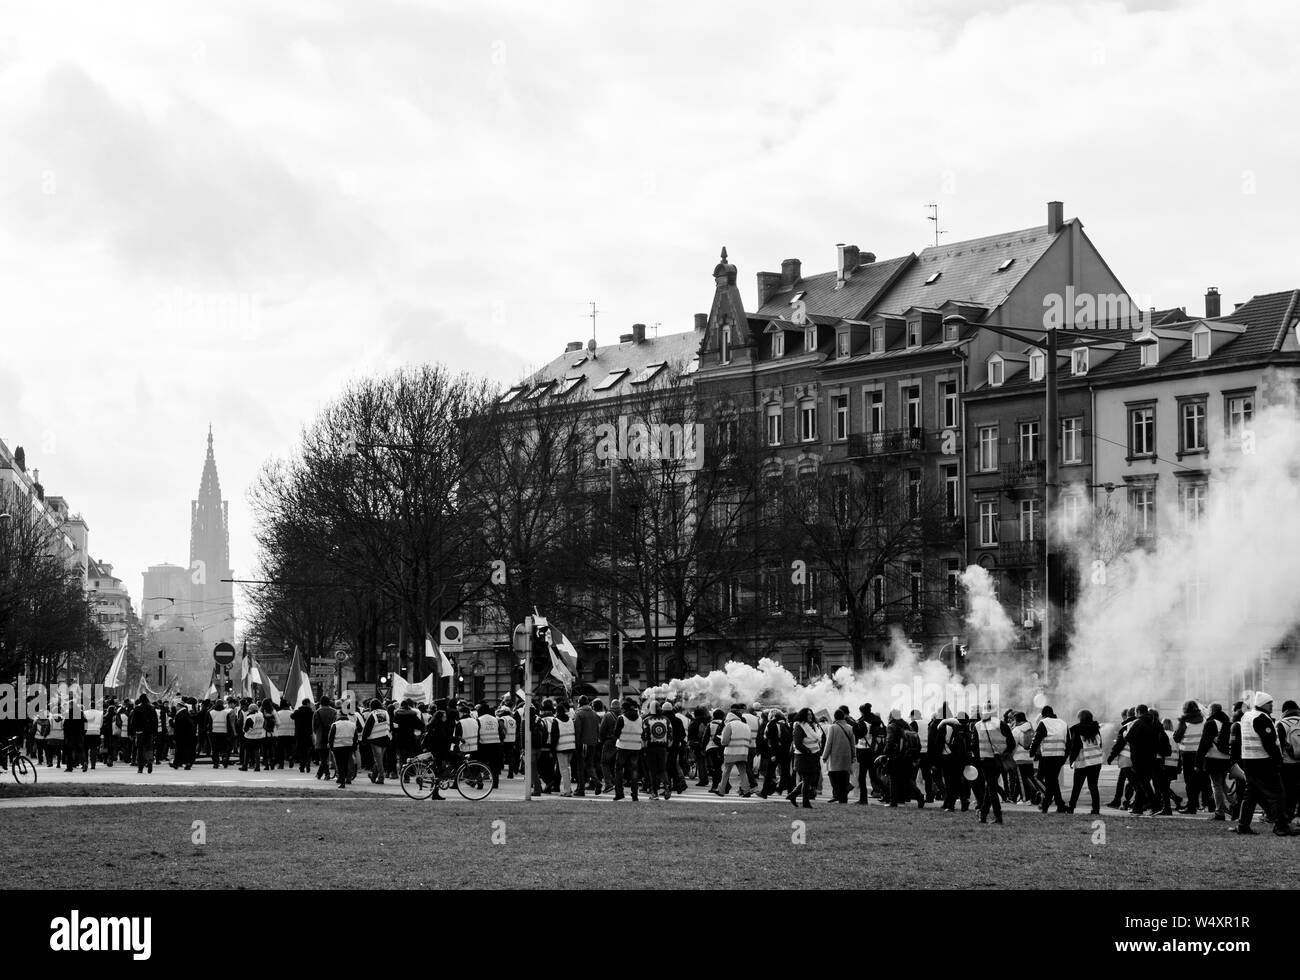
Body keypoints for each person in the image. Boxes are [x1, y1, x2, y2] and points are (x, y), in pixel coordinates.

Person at [1232, 692, 1293, 836]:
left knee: (1250, 795)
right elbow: (1269, 743)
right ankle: (1281, 826)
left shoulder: (1247, 716)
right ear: (1264, 704)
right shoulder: (1262, 718)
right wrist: (1278, 760)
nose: (1272, 706)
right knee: (1278, 794)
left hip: (1249, 760)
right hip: (1263, 761)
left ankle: (1243, 825)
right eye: (1270, 703)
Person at [972, 708, 1013, 824]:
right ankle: (983, 814)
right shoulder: (1001, 724)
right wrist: (1005, 754)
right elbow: (1011, 743)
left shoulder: (977, 726)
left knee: (991, 787)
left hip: (985, 760)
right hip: (999, 760)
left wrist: (978, 760)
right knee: (991, 786)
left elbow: (974, 746)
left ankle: (997, 815)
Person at [1030, 706, 1068, 813]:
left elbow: (1036, 739)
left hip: (1047, 756)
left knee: (1042, 778)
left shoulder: (1044, 723)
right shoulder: (1063, 723)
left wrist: (1032, 752)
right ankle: (1059, 805)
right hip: (1060, 756)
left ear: (1043, 714)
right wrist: (1065, 757)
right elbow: (1069, 742)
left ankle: (1047, 803)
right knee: (1053, 781)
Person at [1066, 709, 1104, 815]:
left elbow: (1075, 747)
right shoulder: (1096, 729)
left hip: (1082, 762)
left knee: (1076, 787)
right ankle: (1096, 809)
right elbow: (1100, 744)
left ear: (1080, 718)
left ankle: (1071, 808)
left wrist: (1071, 760)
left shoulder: (1076, 729)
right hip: (1096, 762)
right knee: (1093, 786)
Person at [1173, 700, 1206, 816]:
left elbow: (1176, 738)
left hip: (1187, 755)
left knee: (1189, 782)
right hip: (1200, 755)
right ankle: (1195, 803)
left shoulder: (1184, 722)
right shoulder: (1203, 721)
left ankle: (1191, 806)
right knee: (1197, 781)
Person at [787, 708, 823, 808]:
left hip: (814, 756)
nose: (810, 716)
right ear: (803, 716)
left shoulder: (814, 726)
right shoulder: (800, 727)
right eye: (808, 715)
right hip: (804, 757)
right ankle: (805, 802)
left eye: (811, 714)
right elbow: (797, 743)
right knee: (807, 780)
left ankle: (793, 795)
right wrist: (807, 751)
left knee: (811, 779)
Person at [716, 704, 754, 797]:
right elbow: (749, 740)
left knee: (726, 772)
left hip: (731, 752)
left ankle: (721, 790)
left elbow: (724, 741)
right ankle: (746, 790)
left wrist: (721, 739)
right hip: (743, 752)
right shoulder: (745, 725)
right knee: (743, 772)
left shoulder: (729, 725)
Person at [820, 707, 856, 804]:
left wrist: (825, 756)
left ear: (835, 717)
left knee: (833, 776)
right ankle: (843, 798)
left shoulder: (832, 727)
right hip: (847, 756)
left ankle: (838, 795)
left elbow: (829, 743)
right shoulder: (849, 727)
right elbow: (853, 744)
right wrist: (854, 756)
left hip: (835, 756)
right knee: (844, 777)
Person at [937, 712, 971, 812]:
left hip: (947, 757)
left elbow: (938, 744)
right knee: (958, 781)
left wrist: (937, 761)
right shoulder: (964, 729)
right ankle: (964, 800)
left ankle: (950, 805)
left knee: (949, 782)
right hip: (960, 758)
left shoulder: (945, 727)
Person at [612, 698, 642, 802]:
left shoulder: (621, 718)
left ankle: (619, 793)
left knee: (619, 770)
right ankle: (635, 795)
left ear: (623, 709)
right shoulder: (640, 718)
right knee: (634, 771)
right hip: (636, 748)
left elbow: (616, 733)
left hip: (623, 746)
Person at [642, 701, 673, 799]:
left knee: (652, 771)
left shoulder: (646, 720)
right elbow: (670, 734)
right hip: (663, 748)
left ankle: (654, 792)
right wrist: (668, 745)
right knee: (662, 769)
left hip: (650, 749)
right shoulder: (666, 720)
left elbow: (644, 736)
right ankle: (667, 786)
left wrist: (644, 747)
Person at [1010, 710, 1041, 806]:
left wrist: (1009, 756)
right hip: (1029, 758)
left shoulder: (1016, 730)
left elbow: (1012, 745)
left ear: (1016, 720)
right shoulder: (1031, 728)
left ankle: (1025, 799)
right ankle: (1036, 794)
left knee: (1021, 780)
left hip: (1019, 758)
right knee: (1030, 778)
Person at [572, 695, 600, 796]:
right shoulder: (594, 713)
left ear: (579, 703)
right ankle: (596, 782)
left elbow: (577, 730)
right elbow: (598, 728)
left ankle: (581, 788)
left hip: (583, 743)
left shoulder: (579, 714)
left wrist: (576, 743)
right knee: (590, 764)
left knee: (581, 766)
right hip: (593, 742)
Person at [1278, 700, 1300, 823]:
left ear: (1284, 711)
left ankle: (1289, 815)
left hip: (1287, 764)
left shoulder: (1281, 724)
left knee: (1289, 791)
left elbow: (1278, 745)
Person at [760, 709, 791, 798]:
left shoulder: (772, 723)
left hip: (776, 751)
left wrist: (773, 753)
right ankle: (791, 792)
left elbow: (772, 739)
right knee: (786, 773)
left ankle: (764, 792)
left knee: (769, 772)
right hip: (785, 751)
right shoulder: (785, 724)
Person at [362, 698, 391, 784]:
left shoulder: (372, 714)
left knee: (379, 760)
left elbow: (367, 728)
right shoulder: (386, 713)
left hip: (375, 740)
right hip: (385, 738)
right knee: (379, 759)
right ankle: (373, 776)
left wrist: (364, 739)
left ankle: (381, 778)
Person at [328, 706, 359, 788]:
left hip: (337, 747)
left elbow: (330, 738)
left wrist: (331, 748)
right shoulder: (352, 725)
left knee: (339, 765)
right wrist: (354, 748)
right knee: (345, 764)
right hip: (348, 747)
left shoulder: (335, 725)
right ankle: (345, 778)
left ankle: (342, 782)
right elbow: (355, 738)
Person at [551, 702, 576, 797]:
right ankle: (568, 788)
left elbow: (554, 737)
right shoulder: (570, 720)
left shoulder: (556, 721)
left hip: (561, 748)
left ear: (557, 711)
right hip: (571, 747)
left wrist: (552, 750)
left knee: (564, 770)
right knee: (567, 769)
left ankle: (567, 791)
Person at [129, 695, 157, 774]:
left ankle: (140, 767)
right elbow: (155, 721)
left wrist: (133, 732)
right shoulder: (152, 708)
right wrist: (154, 732)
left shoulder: (137, 708)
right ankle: (149, 762)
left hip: (140, 732)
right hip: (149, 732)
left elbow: (133, 721)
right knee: (149, 748)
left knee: (140, 749)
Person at [597, 701, 620, 795]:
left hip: (609, 741)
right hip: (619, 742)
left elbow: (602, 730)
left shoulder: (608, 715)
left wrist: (601, 740)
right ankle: (617, 783)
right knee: (615, 764)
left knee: (604, 763)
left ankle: (608, 784)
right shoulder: (622, 715)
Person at [292, 699, 315, 773]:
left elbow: (292, 716)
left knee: (301, 750)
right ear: (308, 703)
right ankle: (307, 764)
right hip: (308, 734)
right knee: (308, 749)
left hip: (299, 734)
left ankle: (302, 765)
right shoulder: (311, 713)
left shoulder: (297, 712)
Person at [170, 702, 196, 770]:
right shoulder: (185, 713)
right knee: (185, 750)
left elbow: (177, 727)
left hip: (182, 736)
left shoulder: (180, 715)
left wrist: (175, 736)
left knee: (180, 749)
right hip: (188, 735)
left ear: (179, 707)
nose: (176, 707)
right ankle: (182, 763)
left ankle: (178, 763)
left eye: (177, 706)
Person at [63, 706, 86, 773]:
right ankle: (84, 762)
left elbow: (65, 726)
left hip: (70, 736)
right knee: (81, 750)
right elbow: (86, 723)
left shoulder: (69, 716)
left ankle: (69, 767)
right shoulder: (81, 716)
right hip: (79, 735)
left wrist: (66, 735)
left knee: (69, 752)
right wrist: (84, 732)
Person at [83, 701, 103, 771]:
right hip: (96, 732)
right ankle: (93, 764)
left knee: (85, 749)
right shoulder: (100, 713)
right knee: (94, 749)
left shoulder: (85, 713)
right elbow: (101, 724)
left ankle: (85, 762)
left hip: (87, 732)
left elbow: (83, 723)